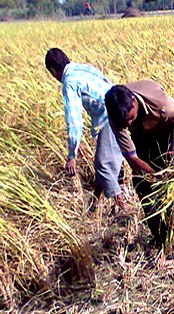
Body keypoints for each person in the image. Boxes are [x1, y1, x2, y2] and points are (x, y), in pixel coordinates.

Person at [104, 81, 174, 246]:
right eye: (124, 122)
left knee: (169, 180)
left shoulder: (162, 105)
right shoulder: (118, 117)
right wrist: (156, 177)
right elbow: (133, 159)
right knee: (142, 185)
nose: (128, 124)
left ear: (134, 103)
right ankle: (160, 238)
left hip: (161, 127)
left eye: (130, 118)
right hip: (140, 135)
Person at [44, 48, 125, 210]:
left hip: (109, 117)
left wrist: (71, 155)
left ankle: (125, 210)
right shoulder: (82, 68)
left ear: (53, 71)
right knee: (104, 162)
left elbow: (74, 120)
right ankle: (94, 205)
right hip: (121, 107)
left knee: (103, 165)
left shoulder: (69, 83)